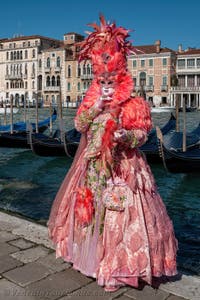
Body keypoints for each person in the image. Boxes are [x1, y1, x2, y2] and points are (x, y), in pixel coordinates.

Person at [48, 15, 178, 292]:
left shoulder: (135, 103)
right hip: (92, 166)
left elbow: (142, 135)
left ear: (120, 79)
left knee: (120, 213)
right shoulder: (91, 100)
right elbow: (79, 125)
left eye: (111, 81)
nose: (106, 86)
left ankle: (121, 267)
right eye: (102, 81)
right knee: (89, 210)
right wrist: (95, 108)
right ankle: (91, 260)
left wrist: (125, 136)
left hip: (124, 167)